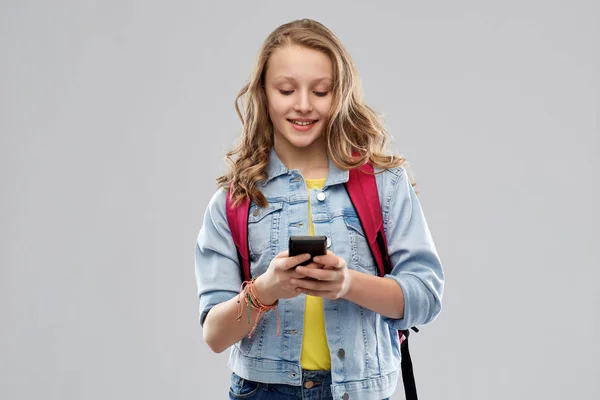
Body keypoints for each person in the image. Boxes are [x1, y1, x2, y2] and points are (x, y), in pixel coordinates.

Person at [194, 18, 444, 400]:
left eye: (321, 91)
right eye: (286, 89)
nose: (304, 105)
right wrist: (267, 289)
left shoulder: (385, 183)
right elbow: (215, 334)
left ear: (339, 94)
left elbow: (425, 295)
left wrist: (348, 284)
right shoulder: (235, 200)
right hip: (263, 391)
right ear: (263, 93)